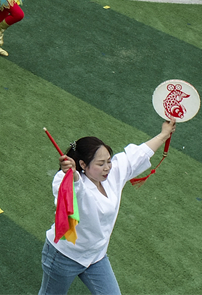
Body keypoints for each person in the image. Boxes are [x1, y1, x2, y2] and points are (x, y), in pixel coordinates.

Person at [38, 119, 177, 295]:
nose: (107, 168)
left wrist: (164, 134)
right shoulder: (64, 181)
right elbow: (73, 197)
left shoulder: (112, 174)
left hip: (96, 256)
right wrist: (72, 177)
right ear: (82, 165)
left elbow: (138, 155)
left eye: (109, 161)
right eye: (100, 164)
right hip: (64, 257)